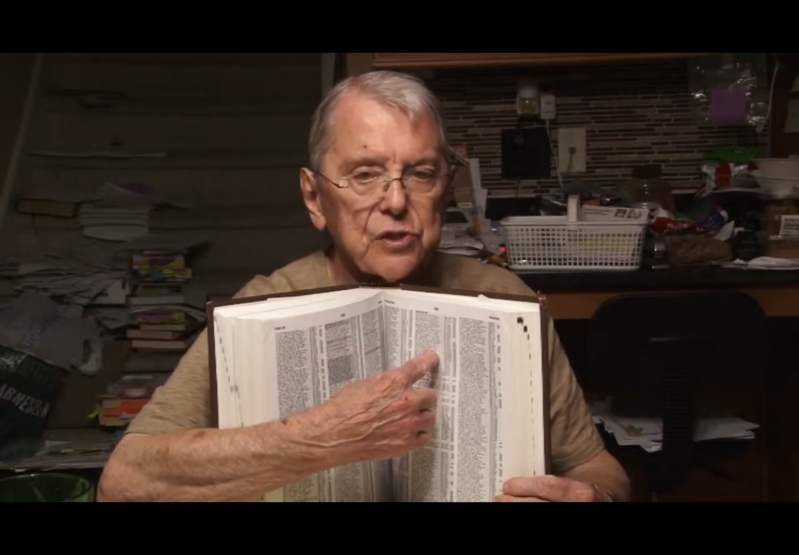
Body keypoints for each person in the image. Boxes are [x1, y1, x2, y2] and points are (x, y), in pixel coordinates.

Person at [97, 70, 630, 503]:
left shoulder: (506, 299)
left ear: (444, 188)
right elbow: (122, 483)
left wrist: (592, 497)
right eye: (364, 174)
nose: (395, 201)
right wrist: (318, 439)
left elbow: (598, 468)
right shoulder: (260, 308)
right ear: (314, 198)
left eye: (420, 173)